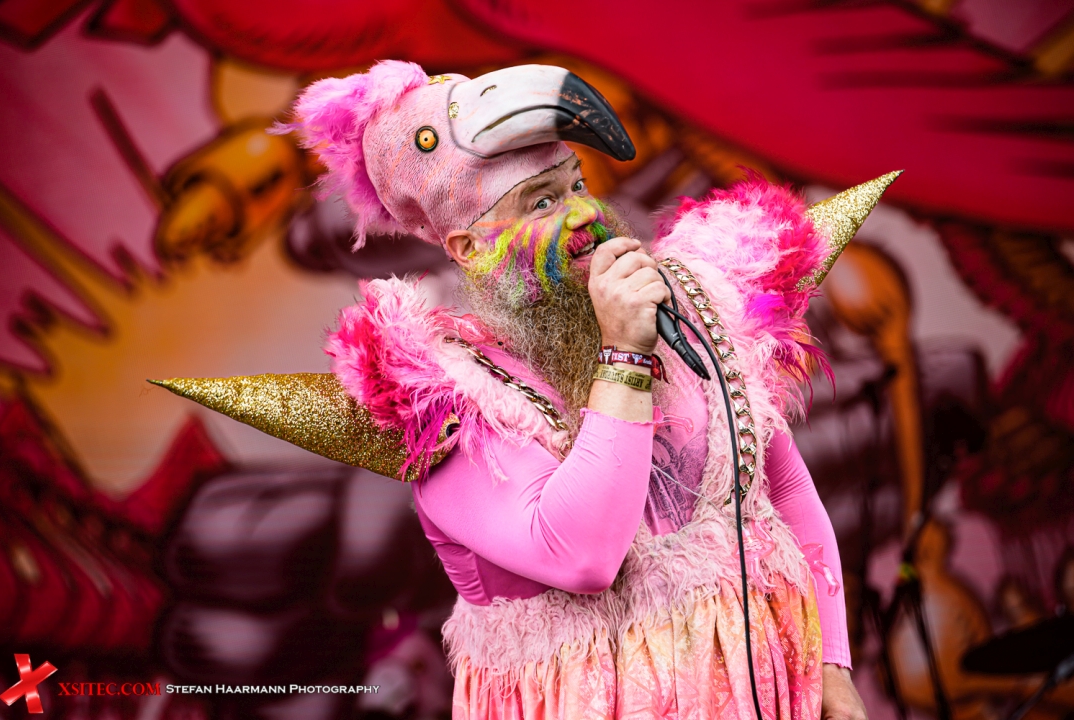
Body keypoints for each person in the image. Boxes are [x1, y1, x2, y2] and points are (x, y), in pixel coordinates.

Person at [281, 60, 869, 720]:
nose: (586, 213)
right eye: (542, 202)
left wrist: (831, 664)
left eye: (577, 184)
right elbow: (584, 557)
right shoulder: (453, 404)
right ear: (472, 247)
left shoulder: (687, 314)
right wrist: (624, 354)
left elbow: (781, 488)